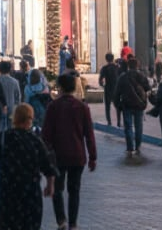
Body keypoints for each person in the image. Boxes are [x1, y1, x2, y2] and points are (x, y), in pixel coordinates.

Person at [0, 103, 56, 230]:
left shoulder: (4, 138)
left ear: (15, 118)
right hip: (30, 195)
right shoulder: (35, 140)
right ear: (29, 119)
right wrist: (50, 185)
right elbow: (48, 166)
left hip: (8, 195)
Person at [41, 73, 97, 230]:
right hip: (77, 155)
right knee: (74, 190)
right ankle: (73, 223)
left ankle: (61, 220)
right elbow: (89, 134)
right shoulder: (82, 107)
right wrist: (93, 157)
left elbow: (46, 135)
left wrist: (44, 157)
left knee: (57, 190)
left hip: (58, 156)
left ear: (60, 87)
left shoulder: (53, 107)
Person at [113, 57, 150, 157]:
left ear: (128, 66)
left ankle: (130, 147)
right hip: (139, 104)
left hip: (127, 104)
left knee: (128, 126)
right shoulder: (142, 76)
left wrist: (117, 104)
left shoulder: (123, 76)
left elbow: (117, 92)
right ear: (137, 65)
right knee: (139, 126)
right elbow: (147, 88)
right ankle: (138, 146)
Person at [0, 61, 21, 130]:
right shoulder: (15, 82)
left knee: (0, 128)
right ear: (10, 69)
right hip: (11, 108)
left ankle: (0, 140)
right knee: (11, 128)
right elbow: (18, 97)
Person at [98, 52, 120, 126]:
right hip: (116, 89)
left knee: (107, 106)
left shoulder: (104, 68)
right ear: (113, 58)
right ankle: (119, 122)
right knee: (117, 106)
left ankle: (109, 122)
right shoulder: (117, 67)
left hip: (108, 88)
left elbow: (100, 80)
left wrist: (103, 85)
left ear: (106, 59)